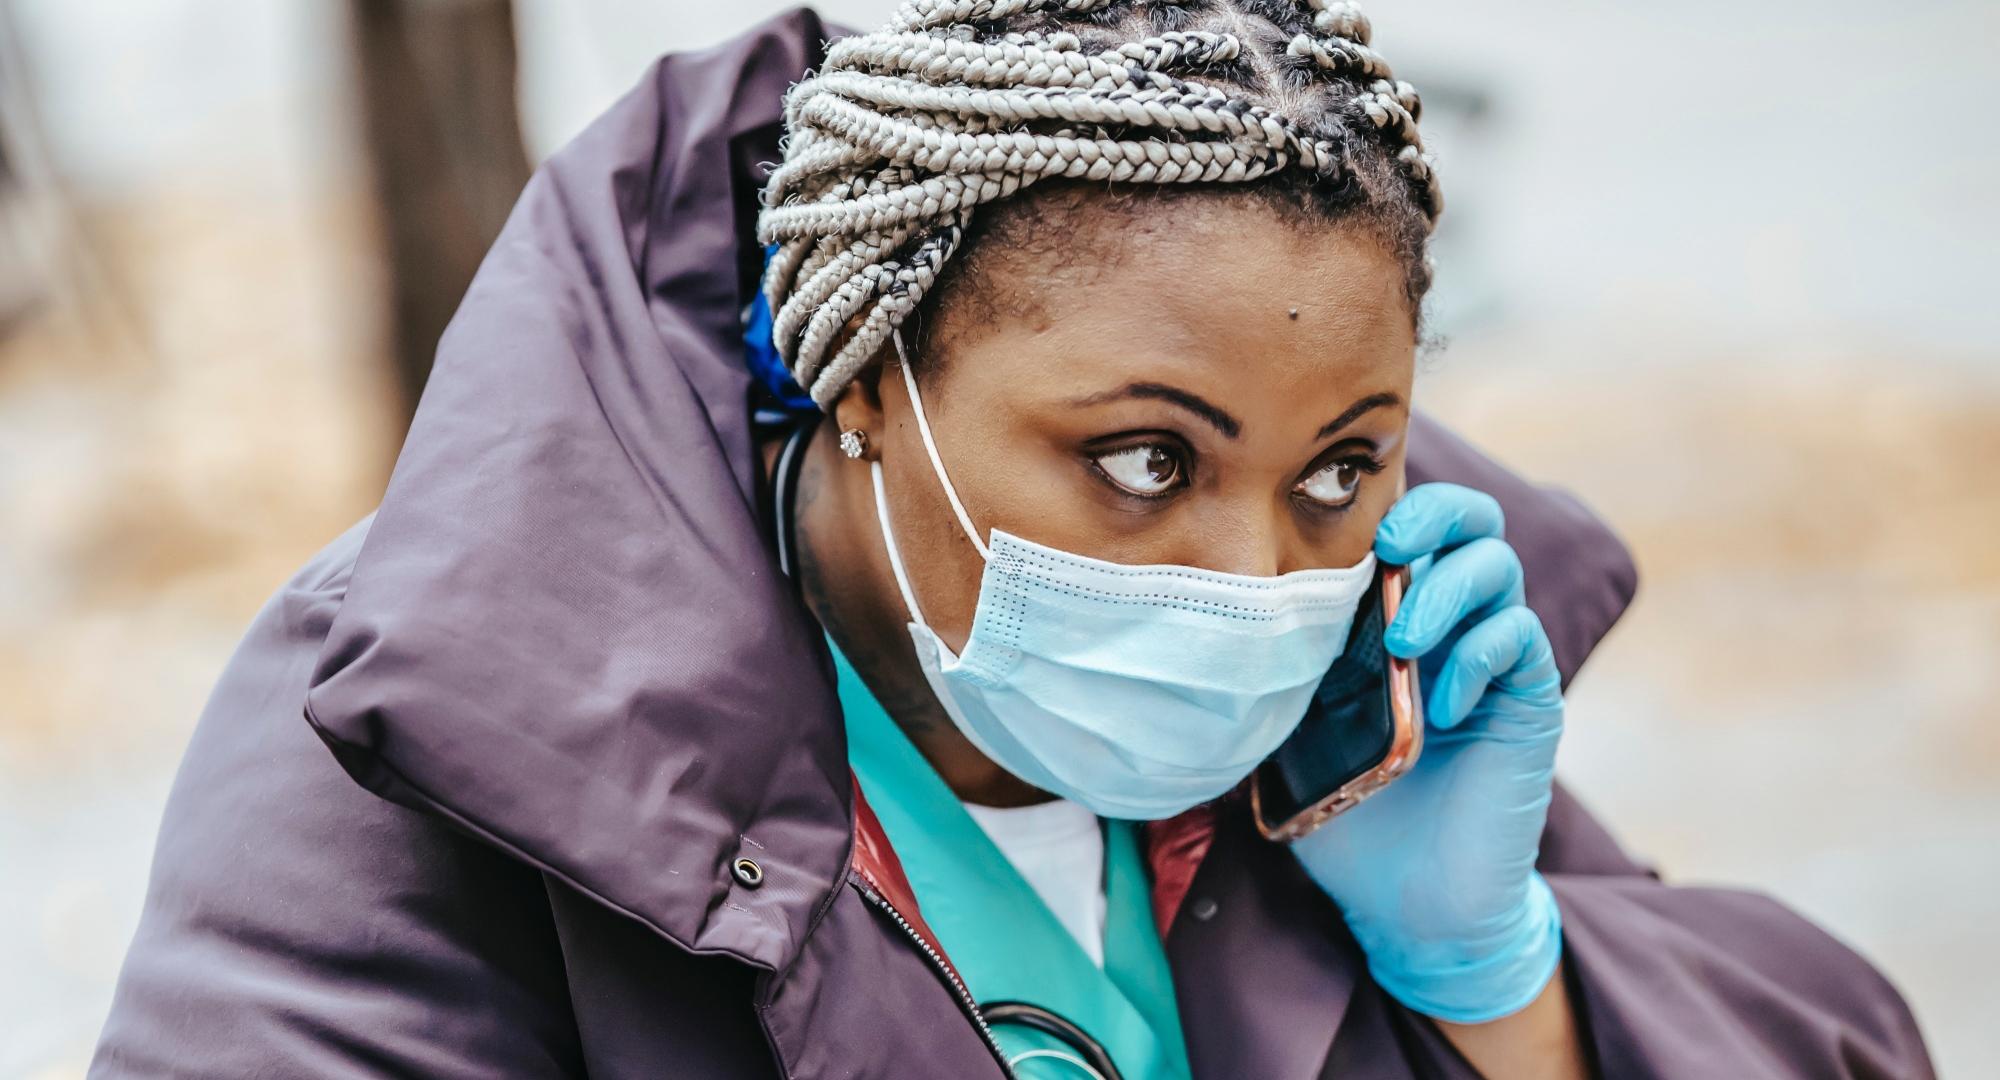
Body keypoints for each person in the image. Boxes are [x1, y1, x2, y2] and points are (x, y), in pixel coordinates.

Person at [91, 3, 1933, 1078]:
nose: (1252, 581)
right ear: (870, 377)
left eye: (1337, 467)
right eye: (1141, 462)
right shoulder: (420, 732)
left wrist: (1499, 975)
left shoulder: (1366, 733)